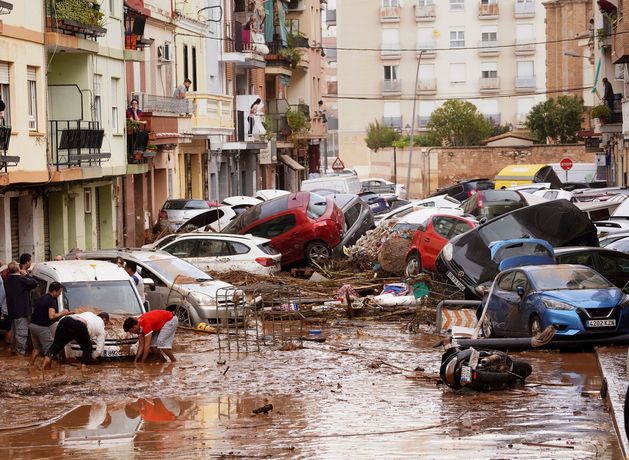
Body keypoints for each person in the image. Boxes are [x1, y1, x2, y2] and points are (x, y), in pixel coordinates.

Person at [43, 311, 109, 369]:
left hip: (64, 320)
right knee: (88, 348)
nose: (105, 325)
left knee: (57, 345)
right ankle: (83, 369)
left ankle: (44, 367)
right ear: (104, 319)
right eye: (106, 323)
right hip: (79, 324)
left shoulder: (89, 314)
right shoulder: (101, 326)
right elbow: (100, 348)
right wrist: (93, 357)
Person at [28, 282, 69, 367]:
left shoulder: (42, 297)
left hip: (32, 326)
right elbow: (51, 316)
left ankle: (30, 365)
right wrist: (62, 313)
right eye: (59, 292)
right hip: (41, 328)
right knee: (50, 350)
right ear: (54, 291)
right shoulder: (51, 301)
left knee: (36, 348)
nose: (59, 294)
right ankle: (45, 370)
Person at [5, 255, 37, 355]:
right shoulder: (20, 280)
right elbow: (34, 283)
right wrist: (26, 275)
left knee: (15, 333)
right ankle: (20, 354)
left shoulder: (8, 280)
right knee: (21, 333)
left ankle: (15, 352)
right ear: (18, 269)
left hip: (12, 311)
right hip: (21, 312)